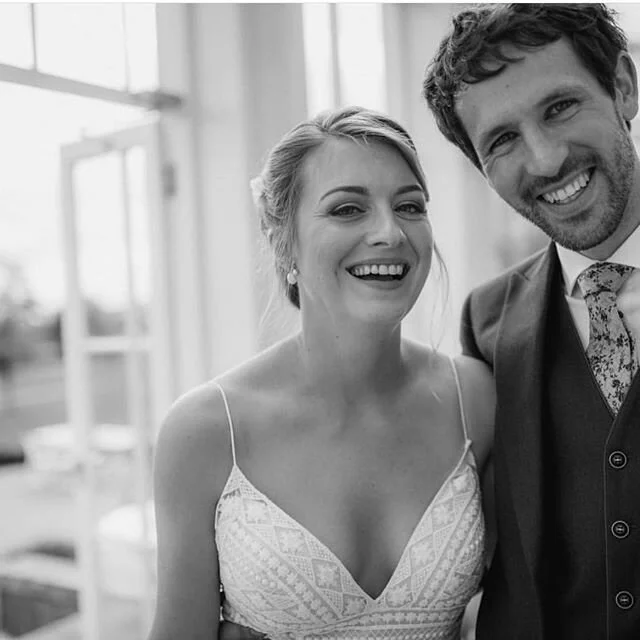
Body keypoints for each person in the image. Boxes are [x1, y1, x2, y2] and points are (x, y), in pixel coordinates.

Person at [148, 106, 495, 640]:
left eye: (409, 206)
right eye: (348, 209)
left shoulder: (475, 398)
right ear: (281, 239)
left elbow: (517, 602)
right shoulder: (206, 431)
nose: (389, 232)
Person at [424, 4, 640, 639]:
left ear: (624, 87)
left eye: (560, 107)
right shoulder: (487, 322)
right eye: (503, 140)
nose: (545, 161)